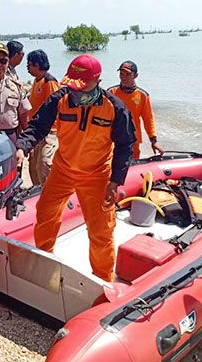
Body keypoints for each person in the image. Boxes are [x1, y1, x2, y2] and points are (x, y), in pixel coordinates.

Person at [15, 55, 136, 282]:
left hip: (97, 175)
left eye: (82, 86)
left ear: (97, 79)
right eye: (72, 86)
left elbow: (125, 145)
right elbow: (38, 125)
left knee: (101, 230)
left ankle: (102, 279)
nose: (76, 91)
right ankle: (45, 260)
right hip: (63, 169)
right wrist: (22, 147)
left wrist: (115, 181)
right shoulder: (60, 98)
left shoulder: (115, 108)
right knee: (45, 214)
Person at [108, 60, 163, 159]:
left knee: (133, 168)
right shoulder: (111, 93)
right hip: (113, 138)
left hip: (133, 139)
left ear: (136, 75)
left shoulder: (142, 96)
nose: (123, 77)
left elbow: (148, 119)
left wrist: (153, 141)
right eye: (121, 73)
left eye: (127, 74)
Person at [25, 49, 60, 186]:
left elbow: (56, 106)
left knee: (44, 163)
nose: (27, 68)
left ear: (37, 65)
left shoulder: (49, 82)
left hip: (48, 130)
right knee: (33, 165)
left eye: (29, 65)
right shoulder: (36, 81)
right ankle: (37, 190)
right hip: (36, 130)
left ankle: (49, 191)